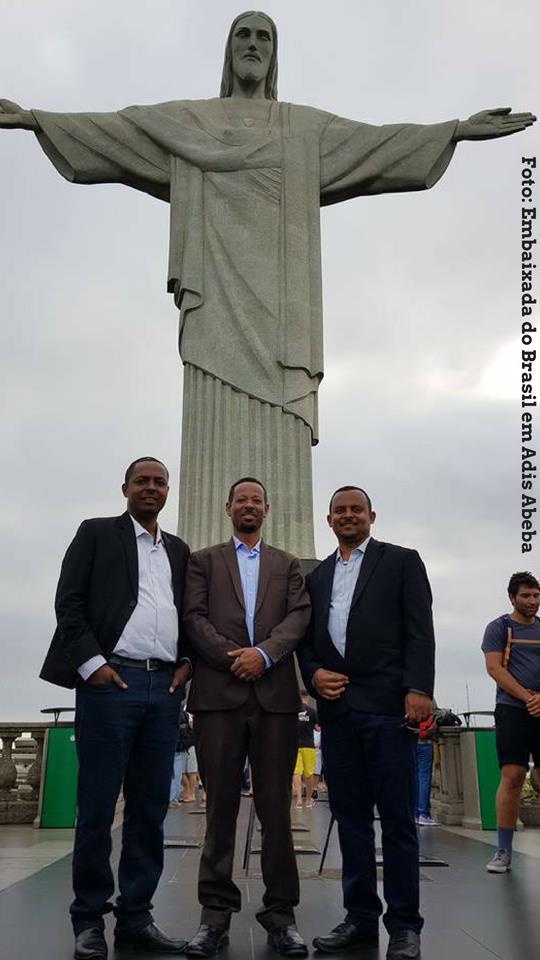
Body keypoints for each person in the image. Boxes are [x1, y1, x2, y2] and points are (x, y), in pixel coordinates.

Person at [0, 14, 535, 557]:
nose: (253, 45)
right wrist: (34, 120)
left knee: (282, 406)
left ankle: (284, 550)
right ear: (228, 49)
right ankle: (213, 549)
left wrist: (454, 131)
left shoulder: (303, 129)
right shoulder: (189, 122)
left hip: (283, 309)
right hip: (213, 295)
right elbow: (118, 131)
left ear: (275, 53)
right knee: (211, 395)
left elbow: (376, 145)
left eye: (264, 37)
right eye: (243, 35)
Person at [40, 457, 191, 960]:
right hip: (111, 682)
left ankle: (136, 917)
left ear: (168, 491)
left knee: (150, 810)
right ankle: (88, 918)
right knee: (98, 808)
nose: (151, 488)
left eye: (159, 482)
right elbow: (69, 603)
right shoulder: (97, 534)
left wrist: (186, 662)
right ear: (125, 488)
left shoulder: (178, 549)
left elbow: (187, 613)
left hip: (163, 688)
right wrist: (93, 665)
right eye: (142, 481)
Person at [298, 486, 435, 960]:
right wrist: (313, 673)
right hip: (337, 712)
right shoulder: (316, 577)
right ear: (328, 520)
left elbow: (419, 629)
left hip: (388, 708)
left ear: (371, 516)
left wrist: (418, 689)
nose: (348, 516)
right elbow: (307, 642)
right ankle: (358, 918)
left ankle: (404, 925)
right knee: (350, 818)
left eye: (356, 509)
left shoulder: (400, 561)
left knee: (397, 819)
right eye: (340, 511)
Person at [182, 477, 311, 958]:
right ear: (228, 507)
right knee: (218, 810)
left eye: (257, 500)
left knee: (276, 809)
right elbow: (193, 618)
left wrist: (265, 654)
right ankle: (213, 917)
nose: (249, 506)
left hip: (275, 698)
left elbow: (298, 618)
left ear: (267, 509)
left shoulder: (288, 564)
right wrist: (233, 657)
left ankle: (281, 917)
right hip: (219, 696)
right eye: (241, 500)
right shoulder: (203, 562)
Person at [482, 571, 540, 873]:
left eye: (536, 596)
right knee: (514, 776)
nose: (532, 602)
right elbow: (494, 668)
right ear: (512, 597)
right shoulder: (499, 628)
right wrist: (527, 697)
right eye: (526, 596)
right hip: (511, 710)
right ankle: (503, 850)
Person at [292, 690, 319, 809]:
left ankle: (298, 800)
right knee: (309, 773)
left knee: (296, 772)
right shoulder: (312, 711)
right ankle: (308, 800)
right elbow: (318, 728)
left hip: (295, 745)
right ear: (306, 698)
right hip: (309, 746)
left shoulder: (293, 711)